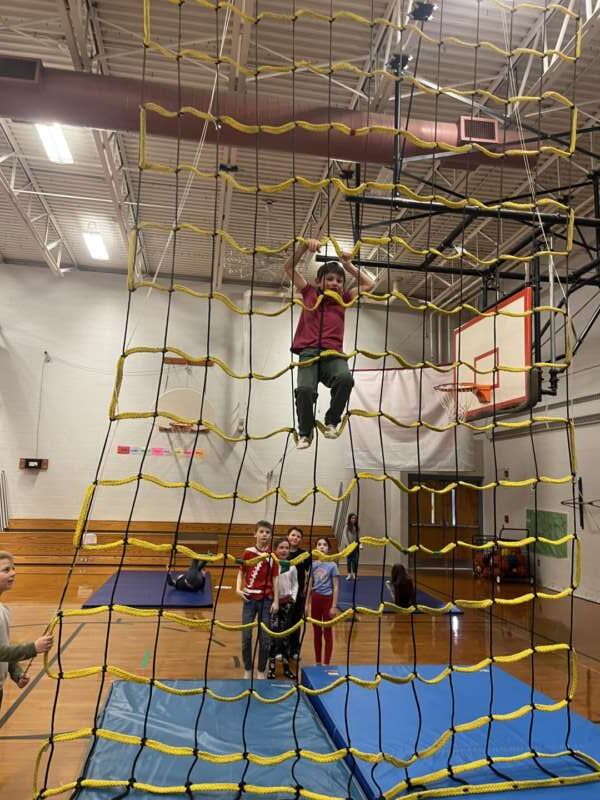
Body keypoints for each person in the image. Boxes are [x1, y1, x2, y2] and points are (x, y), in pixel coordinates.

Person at [284, 239, 375, 449]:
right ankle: (305, 432)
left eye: (339, 281)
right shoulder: (308, 292)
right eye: (330, 279)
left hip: (333, 354)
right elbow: (288, 268)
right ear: (318, 281)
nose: (335, 283)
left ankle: (332, 421)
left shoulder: (345, 298)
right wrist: (304, 248)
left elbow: (369, 284)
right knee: (305, 390)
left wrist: (348, 266)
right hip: (309, 353)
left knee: (345, 379)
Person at [0, 551, 53, 709]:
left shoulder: (4, 609)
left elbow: (4, 645)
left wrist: (15, 672)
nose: (13, 573)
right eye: (6, 570)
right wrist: (33, 648)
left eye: (13, 568)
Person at [236, 521, 279, 680]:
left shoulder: (272, 556)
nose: (264, 535)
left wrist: (276, 601)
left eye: (267, 532)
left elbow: (276, 578)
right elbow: (241, 572)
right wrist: (238, 589)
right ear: (255, 534)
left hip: (266, 600)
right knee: (246, 637)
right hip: (249, 599)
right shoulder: (247, 553)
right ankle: (247, 669)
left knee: (265, 638)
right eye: (261, 532)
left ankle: (261, 670)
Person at [267, 539, 298, 680]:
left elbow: (295, 584)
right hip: (274, 604)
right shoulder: (271, 565)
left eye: (287, 548)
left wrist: (293, 598)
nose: (284, 550)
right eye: (281, 547)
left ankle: (286, 668)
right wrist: (273, 600)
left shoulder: (291, 566)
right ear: (275, 549)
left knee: (286, 637)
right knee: (273, 637)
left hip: (287, 604)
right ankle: (271, 669)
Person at [306, 538, 339, 666]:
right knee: (317, 632)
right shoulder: (313, 565)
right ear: (316, 548)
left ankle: (326, 662)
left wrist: (334, 606)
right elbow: (309, 585)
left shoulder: (332, 565)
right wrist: (306, 604)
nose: (322, 547)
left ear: (329, 549)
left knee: (327, 632)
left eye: (325, 545)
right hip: (316, 599)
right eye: (319, 544)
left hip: (328, 600)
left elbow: (336, 586)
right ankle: (318, 661)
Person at [286, 526, 311, 661]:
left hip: (299, 595)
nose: (295, 538)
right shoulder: (282, 552)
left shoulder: (305, 555)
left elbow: (310, 575)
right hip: (284, 594)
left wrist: (306, 593)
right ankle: (282, 649)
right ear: (288, 536)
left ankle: (294, 650)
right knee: (284, 622)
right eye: (293, 535)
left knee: (296, 622)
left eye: (298, 536)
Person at [341, 512, 360, 580]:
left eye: (355, 518)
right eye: (352, 518)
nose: (354, 519)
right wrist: (348, 545)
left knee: (355, 560)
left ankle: (354, 574)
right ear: (349, 519)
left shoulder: (357, 527)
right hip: (348, 546)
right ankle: (349, 574)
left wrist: (359, 544)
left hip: (355, 546)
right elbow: (345, 535)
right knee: (349, 560)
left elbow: (358, 537)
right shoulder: (347, 526)